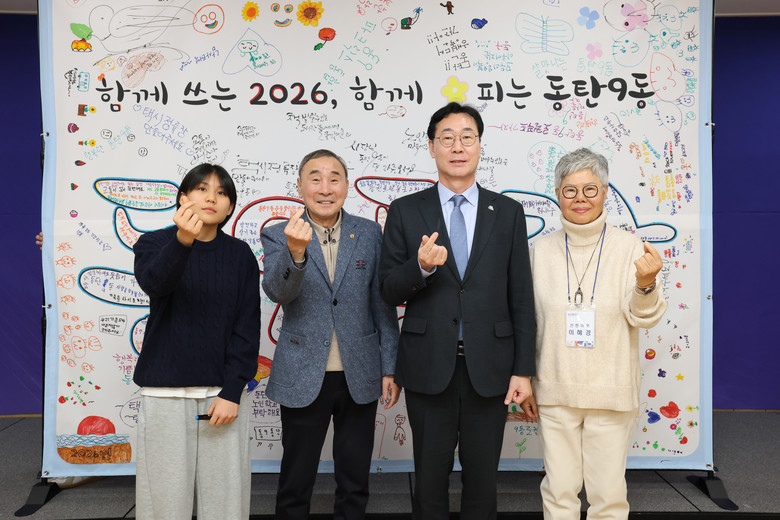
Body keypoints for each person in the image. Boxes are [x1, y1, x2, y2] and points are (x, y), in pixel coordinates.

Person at [378, 102, 536, 520]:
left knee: (483, 482)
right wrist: (421, 267)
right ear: (432, 147)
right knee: (429, 480)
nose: (458, 146)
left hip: (491, 367)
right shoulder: (405, 209)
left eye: (468, 137)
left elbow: (521, 296)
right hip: (428, 364)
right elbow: (388, 289)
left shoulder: (507, 212)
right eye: (446, 138)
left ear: (480, 145)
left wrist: (523, 370)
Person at [520, 148, 667, 520]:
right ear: (558, 195)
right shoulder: (539, 252)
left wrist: (646, 284)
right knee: (559, 493)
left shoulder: (631, 249)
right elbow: (527, 322)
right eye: (570, 191)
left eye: (590, 189)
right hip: (554, 389)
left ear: (604, 193)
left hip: (610, 391)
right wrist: (526, 380)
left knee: (608, 497)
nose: (580, 199)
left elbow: (643, 317)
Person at [261, 149, 400, 520]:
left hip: (360, 373)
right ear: (300, 186)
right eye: (315, 178)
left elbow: (382, 304)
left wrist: (390, 367)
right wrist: (295, 252)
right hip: (302, 372)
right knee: (296, 481)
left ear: (346, 185)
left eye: (334, 178)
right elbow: (278, 292)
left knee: (354, 481)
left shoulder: (369, 233)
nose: (325, 188)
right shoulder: (278, 234)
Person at [132, 163, 261, 519]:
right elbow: (155, 284)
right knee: (164, 502)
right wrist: (183, 241)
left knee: (225, 503)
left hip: (222, 396)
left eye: (221, 193)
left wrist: (232, 391)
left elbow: (246, 327)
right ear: (182, 198)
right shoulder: (153, 243)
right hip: (164, 394)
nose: (211, 198)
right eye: (202, 189)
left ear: (230, 207)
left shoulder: (240, 255)